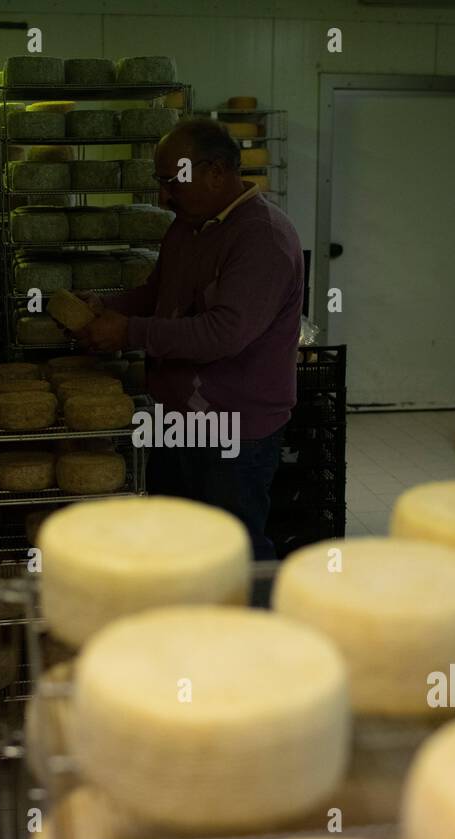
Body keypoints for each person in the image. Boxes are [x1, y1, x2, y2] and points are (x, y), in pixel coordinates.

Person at [75, 118, 304, 560]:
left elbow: (224, 333)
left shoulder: (263, 238)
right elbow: (157, 294)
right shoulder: (188, 225)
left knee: (232, 554)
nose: (164, 196)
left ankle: (247, 626)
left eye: (172, 181)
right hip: (179, 416)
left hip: (235, 428)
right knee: (180, 547)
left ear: (217, 172)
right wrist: (109, 306)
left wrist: (128, 332)